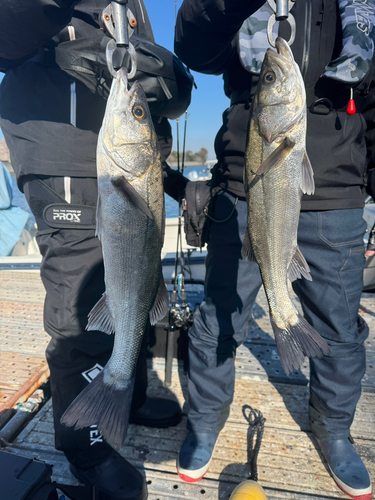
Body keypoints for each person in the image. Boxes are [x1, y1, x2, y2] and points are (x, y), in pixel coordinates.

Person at [174, 1, 375, 499]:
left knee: (340, 330)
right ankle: (203, 421)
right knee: (218, 317)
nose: (274, 67)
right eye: (268, 76)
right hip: (246, 189)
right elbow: (192, 44)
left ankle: (332, 428)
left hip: (338, 192)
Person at [0, 2, 189, 499]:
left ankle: (124, 392)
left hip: (120, 167)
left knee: (139, 285)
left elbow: (142, 128)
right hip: (60, 150)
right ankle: (88, 443)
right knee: (79, 308)